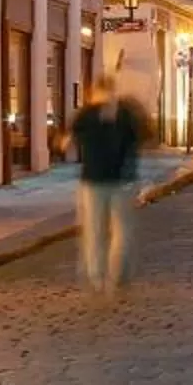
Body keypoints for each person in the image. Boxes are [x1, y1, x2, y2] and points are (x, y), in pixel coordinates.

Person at [70, 74, 145, 295]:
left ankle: (97, 276)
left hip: (93, 179)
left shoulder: (85, 114)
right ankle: (119, 273)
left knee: (95, 230)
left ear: (94, 91)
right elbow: (137, 142)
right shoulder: (125, 114)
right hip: (122, 180)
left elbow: (67, 142)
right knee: (122, 230)